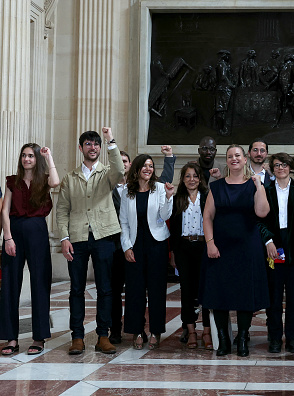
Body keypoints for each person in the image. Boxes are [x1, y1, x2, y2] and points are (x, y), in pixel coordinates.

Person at [56, 128, 125, 355]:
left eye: (96, 144)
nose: (93, 147)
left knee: (105, 288)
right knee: (76, 289)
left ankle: (103, 336)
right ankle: (77, 337)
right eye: (88, 144)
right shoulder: (69, 178)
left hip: (104, 236)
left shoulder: (108, 173)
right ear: (81, 148)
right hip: (77, 238)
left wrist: (110, 141)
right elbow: (62, 210)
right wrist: (64, 238)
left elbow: (120, 169)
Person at [201, 144, 270, 357]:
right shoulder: (217, 186)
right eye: (230, 156)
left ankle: (242, 338)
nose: (234, 159)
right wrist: (210, 243)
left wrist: (259, 186)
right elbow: (207, 217)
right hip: (220, 247)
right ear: (227, 160)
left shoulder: (254, 184)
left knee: (244, 294)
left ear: (245, 158)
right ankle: (223, 339)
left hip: (247, 247)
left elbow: (262, 212)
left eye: (238, 155)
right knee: (219, 293)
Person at [109, 146, 175, 345]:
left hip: (157, 245)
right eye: (145, 165)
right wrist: (127, 247)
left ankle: (155, 332)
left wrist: (169, 198)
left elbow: (165, 216)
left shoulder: (160, 188)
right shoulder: (127, 193)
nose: (148, 169)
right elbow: (124, 223)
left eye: (151, 166)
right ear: (137, 169)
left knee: (156, 290)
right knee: (135, 291)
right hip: (135, 246)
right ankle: (137, 331)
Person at [0, 144, 60, 356]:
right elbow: (4, 211)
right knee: (9, 285)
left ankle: (39, 337)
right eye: (24, 156)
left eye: (31, 156)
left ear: (37, 159)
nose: (26, 159)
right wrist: (7, 237)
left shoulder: (44, 180)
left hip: (37, 232)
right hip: (13, 232)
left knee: (40, 283)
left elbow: (56, 181)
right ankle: (11, 338)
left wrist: (49, 156)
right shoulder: (11, 181)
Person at [260, 153, 294, 353]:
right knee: (274, 296)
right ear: (272, 169)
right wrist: (268, 241)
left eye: (284, 165)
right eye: (277, 165)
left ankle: (291, 338)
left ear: (291, 167)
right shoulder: (265, 190)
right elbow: (259, 219)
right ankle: (275, 338)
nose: (281, 168)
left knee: (293, 297)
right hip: (275, 245)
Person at [169, 162, 212, 350]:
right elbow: (172, 228)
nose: (192, 179)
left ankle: (207, 332)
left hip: (204, 246)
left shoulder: (208, 197)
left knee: (206, 291)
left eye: (195, 176)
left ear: (200, 179)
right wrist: (173, 252)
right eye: (188, 176)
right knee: (187, 291)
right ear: (183, 179)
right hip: (184, 248)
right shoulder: (177, 198)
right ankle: (191, 331)